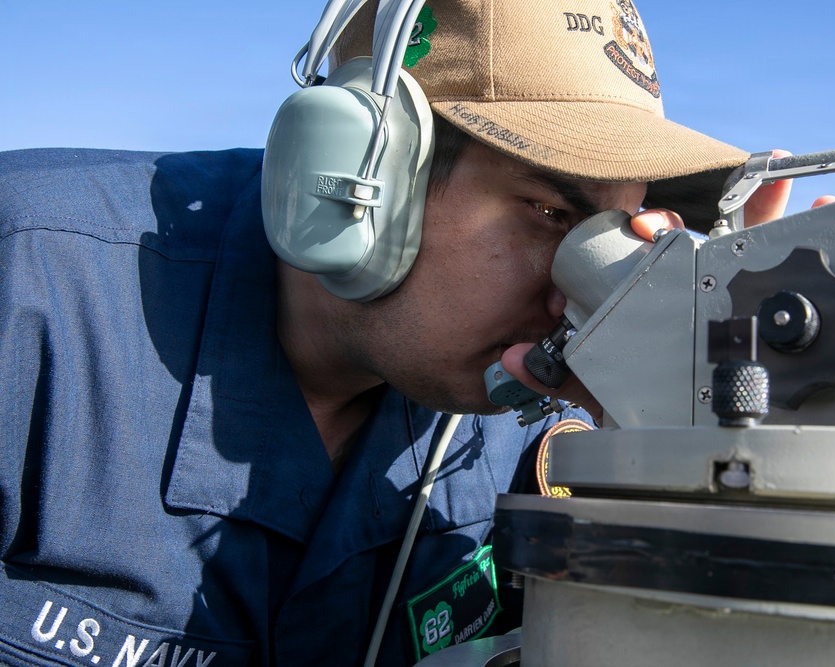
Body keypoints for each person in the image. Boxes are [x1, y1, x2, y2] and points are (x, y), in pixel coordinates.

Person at [0, 0, 792, 665]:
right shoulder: (31, 298)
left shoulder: (530, 406)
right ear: (362, 177)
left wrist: (690, 420)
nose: (580, 290)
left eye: (617, 225)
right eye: (555, 214)